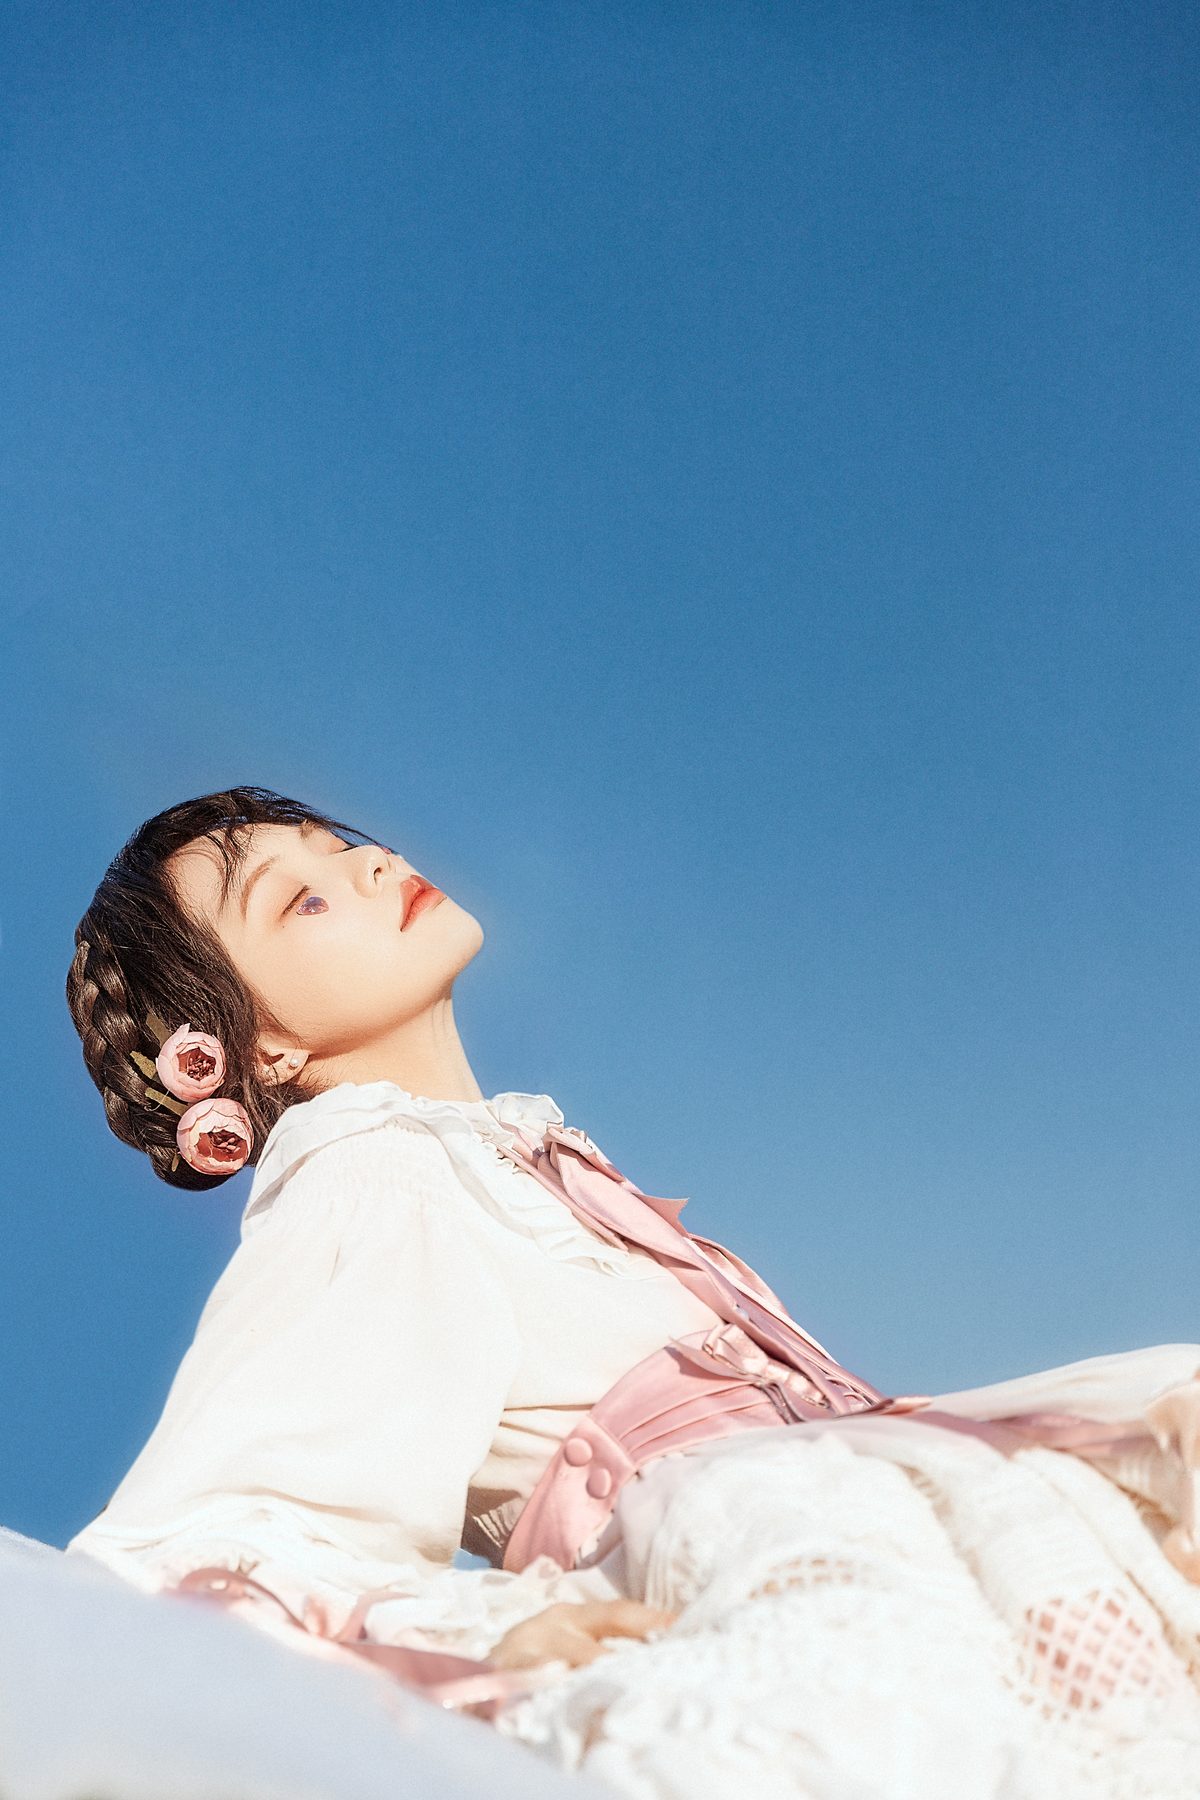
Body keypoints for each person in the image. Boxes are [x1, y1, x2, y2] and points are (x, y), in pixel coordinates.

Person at [63, 786, 1200, 1798]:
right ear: (257, 1045)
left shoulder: (500, 1162)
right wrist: (481, 1646)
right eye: (299, 897)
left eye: (338, 843)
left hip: (911, 1529)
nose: (368, 863)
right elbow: (242, 1515)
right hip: (799, 1584)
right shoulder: (370, 1166)